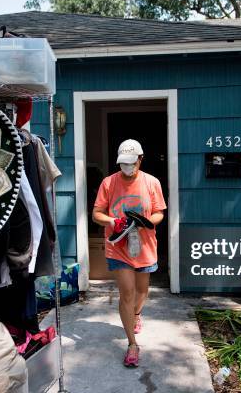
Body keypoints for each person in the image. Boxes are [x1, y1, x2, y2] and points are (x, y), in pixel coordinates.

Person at [92, 139, 167, 367]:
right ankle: (132, 345)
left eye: (131, 162)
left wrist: (144, 222)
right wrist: (114, 222)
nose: (127, 167)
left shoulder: (152, 182)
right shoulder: (109, 183)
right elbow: (97, 213)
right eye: (123, 163)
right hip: (118, 246)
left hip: (144, 246)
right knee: (127, 292)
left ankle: (135, 315)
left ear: (140, 160)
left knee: (142, 291)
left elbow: (159, 213)